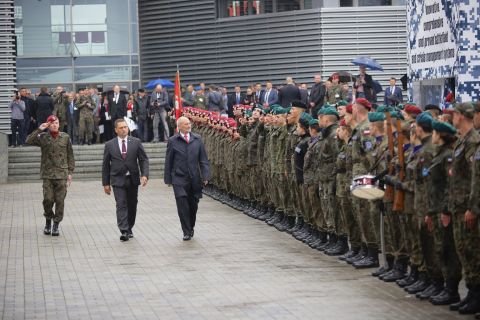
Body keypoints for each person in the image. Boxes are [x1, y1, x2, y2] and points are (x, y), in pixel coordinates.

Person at [26, 115, 75, 237]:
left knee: (60, 201)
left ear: (59, 124)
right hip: (47, 174)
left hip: (61, 174)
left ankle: (56, 224)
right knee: (48, 200)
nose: (54, 125)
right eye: (51, 123)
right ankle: (48, 220)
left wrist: (70, 172)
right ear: (48, 125)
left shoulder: (65, 137)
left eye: (56, 123)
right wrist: (40, 129)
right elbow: (28, 141)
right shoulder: (43, 137)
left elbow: (70, 155)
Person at [164, 116, 211, 241]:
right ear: (179, 127)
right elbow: (169, 161)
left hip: (194, 178)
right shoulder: (173, 140)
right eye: (185, 124)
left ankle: (191, 227)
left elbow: (203, 160)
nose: (188, 125)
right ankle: (186, 231)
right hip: (179, 178)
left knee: (193, 205)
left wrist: (206, 175)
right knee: (182, 203)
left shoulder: (197, 139)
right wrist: (168, 179)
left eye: (189, 123)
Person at [102, 119, 149, 242]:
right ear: (116, 130)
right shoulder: (109, 144)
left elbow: (143, 159)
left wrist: (145, 174)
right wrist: (106, 183)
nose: (124, 129)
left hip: (132, 179)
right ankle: (124, 230)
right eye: (121, 128)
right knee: (121, 204)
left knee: (132, 205)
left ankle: (129, 227)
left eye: (125, 127)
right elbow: (106, 165)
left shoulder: (136, 142)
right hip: (117, 179)